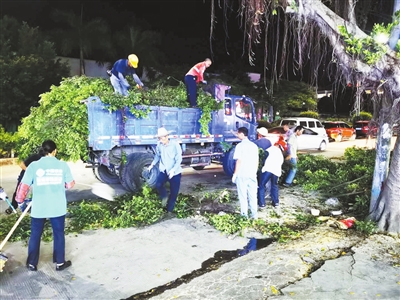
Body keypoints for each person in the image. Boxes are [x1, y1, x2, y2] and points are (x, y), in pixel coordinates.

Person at [15, 140, 75, 272]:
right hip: (57, 207)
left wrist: (20, 202)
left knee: (35, 234)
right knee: (58, 234)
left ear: (43, 151)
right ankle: (60, 263)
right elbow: (70, 184)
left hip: (39, 206)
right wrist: (62, 184)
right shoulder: (62, 165)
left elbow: (23, 186)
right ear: (55, 151)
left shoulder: (34, 166)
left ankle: (32, 263)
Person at [148, 127, 183, 214]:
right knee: (158, 185)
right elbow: (158, 156)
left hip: (175, 173)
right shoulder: (160, 145)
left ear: (166, 136)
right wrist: (152, 165)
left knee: (174, 192)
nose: (159, 140)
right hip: (164, 170)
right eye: (158, 138)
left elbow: (179, 159)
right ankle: (164, 196)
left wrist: (173, 170)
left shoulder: (175, 145)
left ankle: (169, 211)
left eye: (160, 138)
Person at [232, 127, 259, 219]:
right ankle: (254, 216)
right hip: (252, 174)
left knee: (243, 196)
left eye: (238, 133)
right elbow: (256, 161)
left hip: (242, 174)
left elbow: (239, 161)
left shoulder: (240, 146)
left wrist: (235, 174)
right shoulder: (254, 146)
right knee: (253, 196)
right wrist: (254, 172)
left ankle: (244, 215)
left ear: (242, 134)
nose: (237, 135)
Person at [257, 138, 287, 208]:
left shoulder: (269, 150)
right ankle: (275, 202)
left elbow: (263, 161)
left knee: (261, 185)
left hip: (267, 170)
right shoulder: (280, 153)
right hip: (276, 171)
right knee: (274, 185)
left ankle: (262, 203)